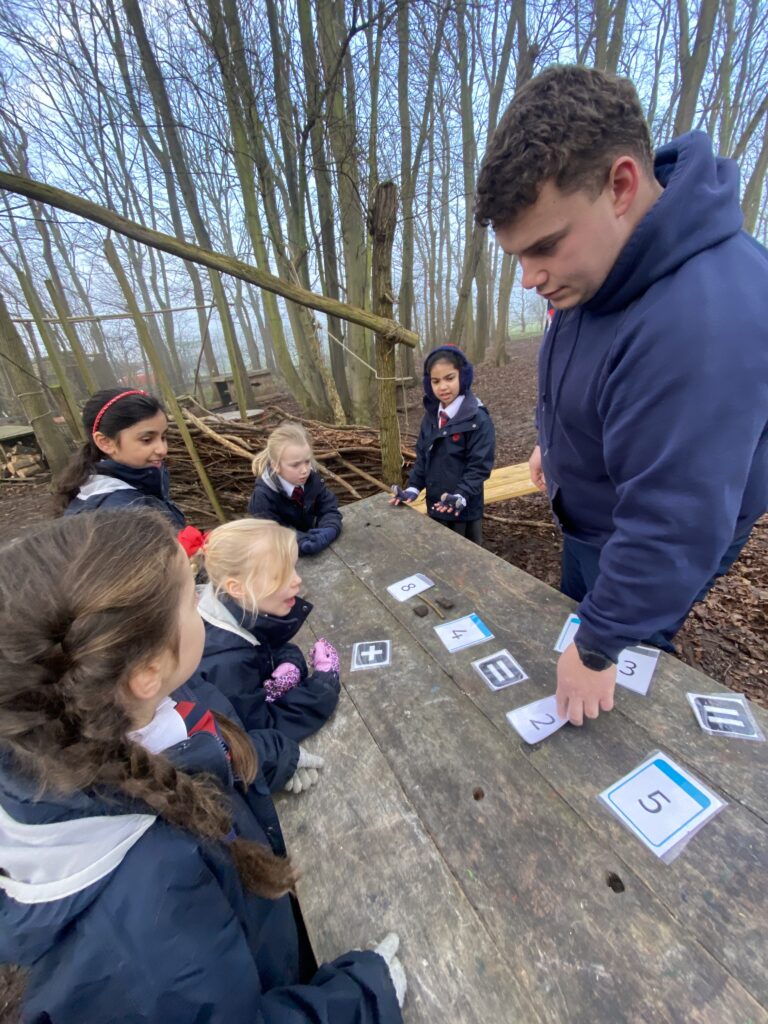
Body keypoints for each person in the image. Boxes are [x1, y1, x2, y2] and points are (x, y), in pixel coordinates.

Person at [0, 510, 406, 1022]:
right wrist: (361, 998)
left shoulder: (115, 712)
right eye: (192, 599)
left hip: (261, 934)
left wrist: (273, 756)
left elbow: (202, 741)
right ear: (147, 670)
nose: (205, 603)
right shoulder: (146, 915)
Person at [475, 64, 768, 724]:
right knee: (577, 621)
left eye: (543, 247)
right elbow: (589, 362)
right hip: (594, 517)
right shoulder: (603, 261)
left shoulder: (704, 318)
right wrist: (555, 442)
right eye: (517, 256)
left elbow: (676, 522)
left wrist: (601, 643)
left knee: (610, 705)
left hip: (642, 542)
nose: (529, 278)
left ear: (622, 186)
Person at [196, 519, 341, 760]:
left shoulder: (232, 608)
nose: (297, 580)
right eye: (280, 575)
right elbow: (261, 731)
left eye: (294, 568)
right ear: (237, 588)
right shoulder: (226, 664)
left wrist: (288, 662)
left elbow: (264, 644)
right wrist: (322, 686)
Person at [390, 345, 495, 545]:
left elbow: (479, 466)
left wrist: (461, 495)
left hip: (464, 511)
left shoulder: (478, 420)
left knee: (464, 565)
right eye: (436, 381)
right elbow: (423, 458)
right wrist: (413, 487)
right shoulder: (431, 418)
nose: (443, 387)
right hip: (435, 507)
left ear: (462, 377)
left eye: (449, 378)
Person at [54, 387, 185, 528]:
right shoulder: (123, 514)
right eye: (147, 439)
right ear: (105, 442)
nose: (162, 450)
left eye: (163, 437)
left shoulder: (136, 483)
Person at [248, 422, 342, 556]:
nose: (305, 470)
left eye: (307, 461)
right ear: (276, 466)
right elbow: (272, 534)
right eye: (295, 465)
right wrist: (303, 542)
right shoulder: (263, 497)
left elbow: (329, 507)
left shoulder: (313, 480)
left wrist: (330, 528)